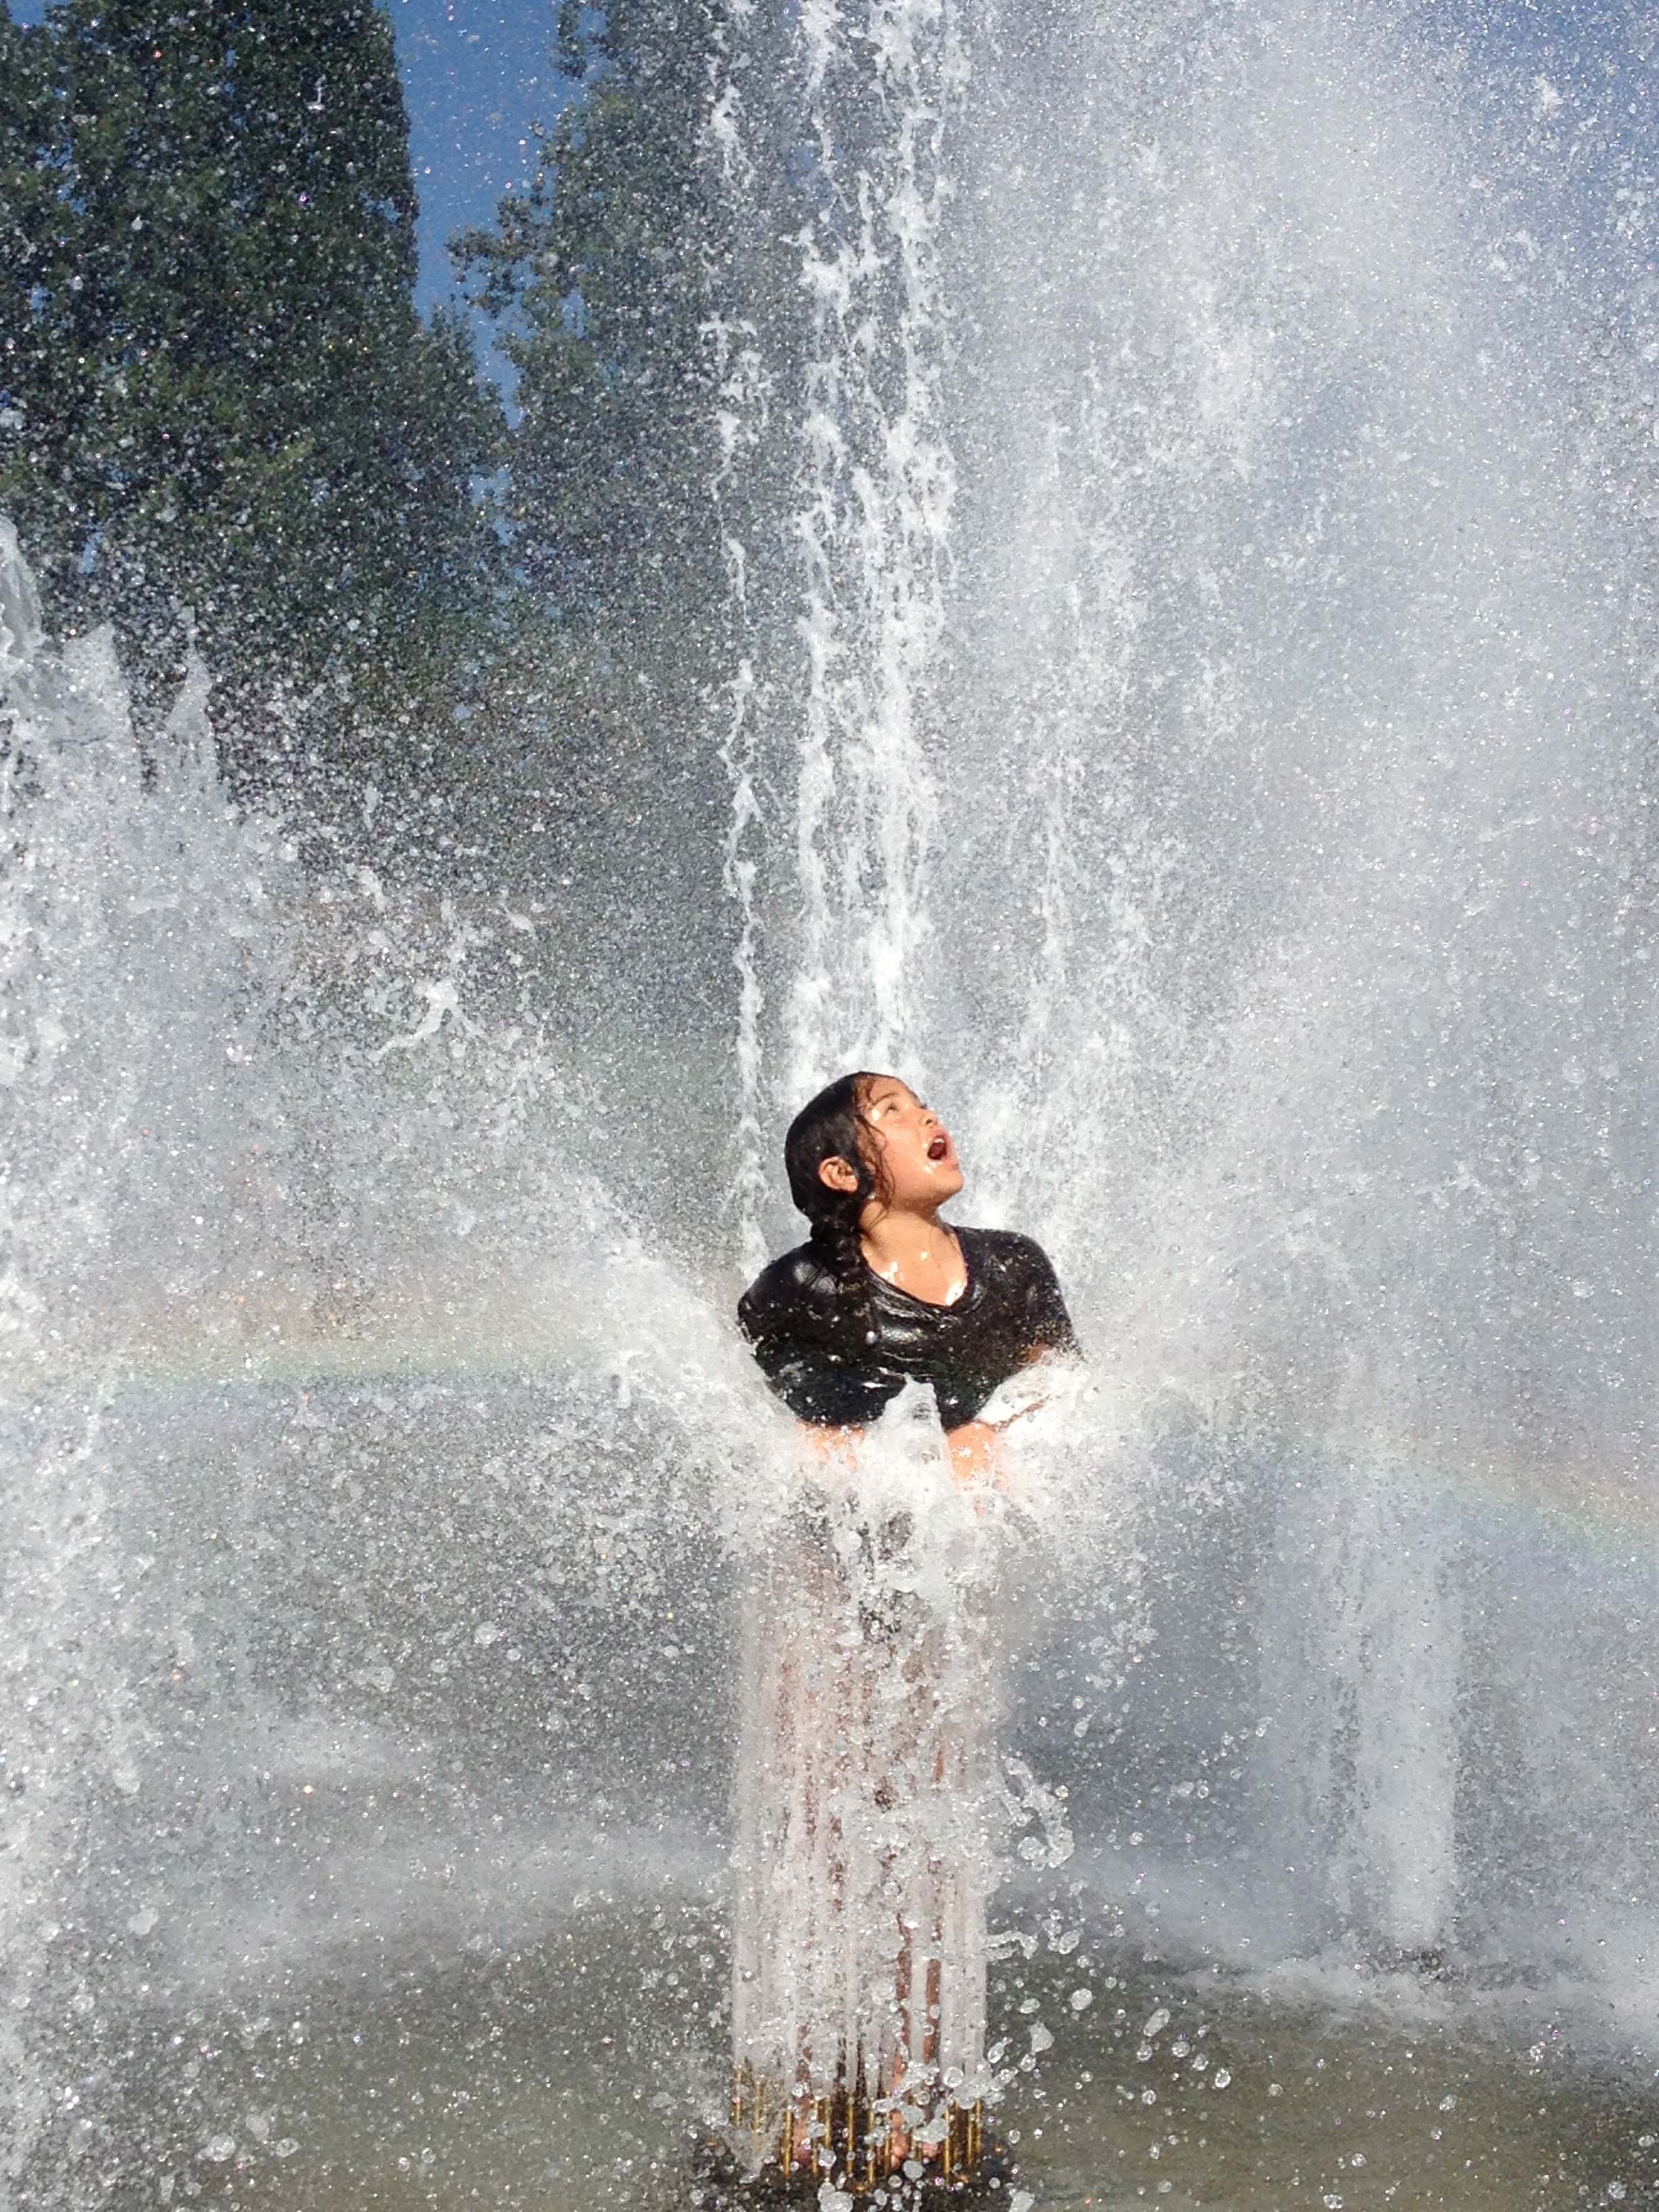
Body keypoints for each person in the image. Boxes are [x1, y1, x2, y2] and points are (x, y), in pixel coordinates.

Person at [726, 1071, 1078, 2198]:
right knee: (824, 1839)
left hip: (939, 1598)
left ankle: (919, 2117)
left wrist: (999, 1430)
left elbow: (1071, 1394)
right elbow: (788, 1437)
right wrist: (924, 1452)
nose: (930, 1118)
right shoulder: (798, 1291)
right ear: (843, 1172)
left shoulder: (1013, 1267)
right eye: (892, 1113)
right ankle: (803, 2115)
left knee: (926, 1847)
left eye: (923, 1103)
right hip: (826, 1586)